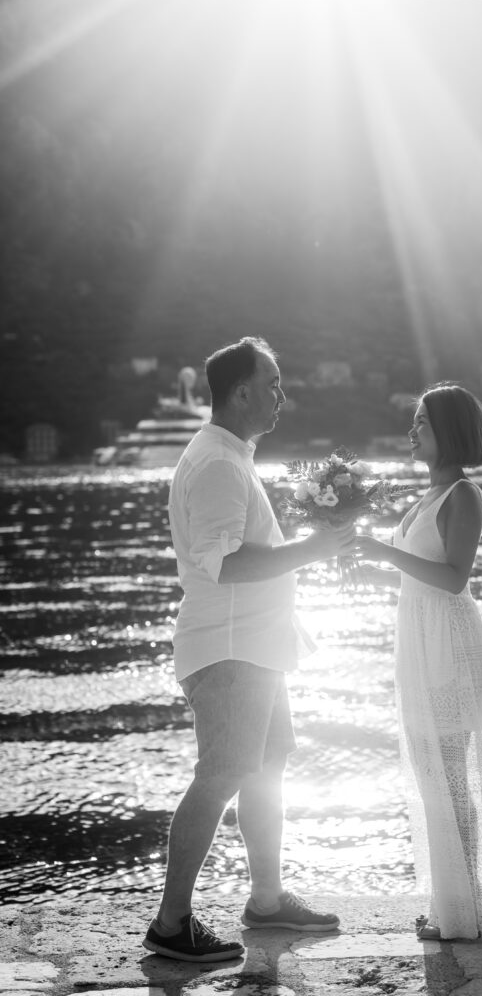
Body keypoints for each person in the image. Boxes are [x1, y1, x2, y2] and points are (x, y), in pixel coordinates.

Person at [144, 337, 355, 962]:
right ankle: (171, 922)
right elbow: (226, 564)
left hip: (258, 646)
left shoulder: (231, 456)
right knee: (223, 773)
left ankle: (266, 901)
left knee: (267, 767)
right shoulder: (215, 463)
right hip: (231, 649)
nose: (281, 395)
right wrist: (316, 550)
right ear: (241, 392)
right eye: (273, 383)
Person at [355, 382, 482, 941]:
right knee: (432, 776)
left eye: (422, 423)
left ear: (450, 431)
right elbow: (414, 573)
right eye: (413, 422)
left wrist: (383, 552)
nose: (411, 432)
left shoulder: (465, 495)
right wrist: (360, 559)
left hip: (450, 644)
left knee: (450, 778)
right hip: (419, 639)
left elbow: (454, 577)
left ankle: (465, 910)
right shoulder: (424, 496)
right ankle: (453, 902)